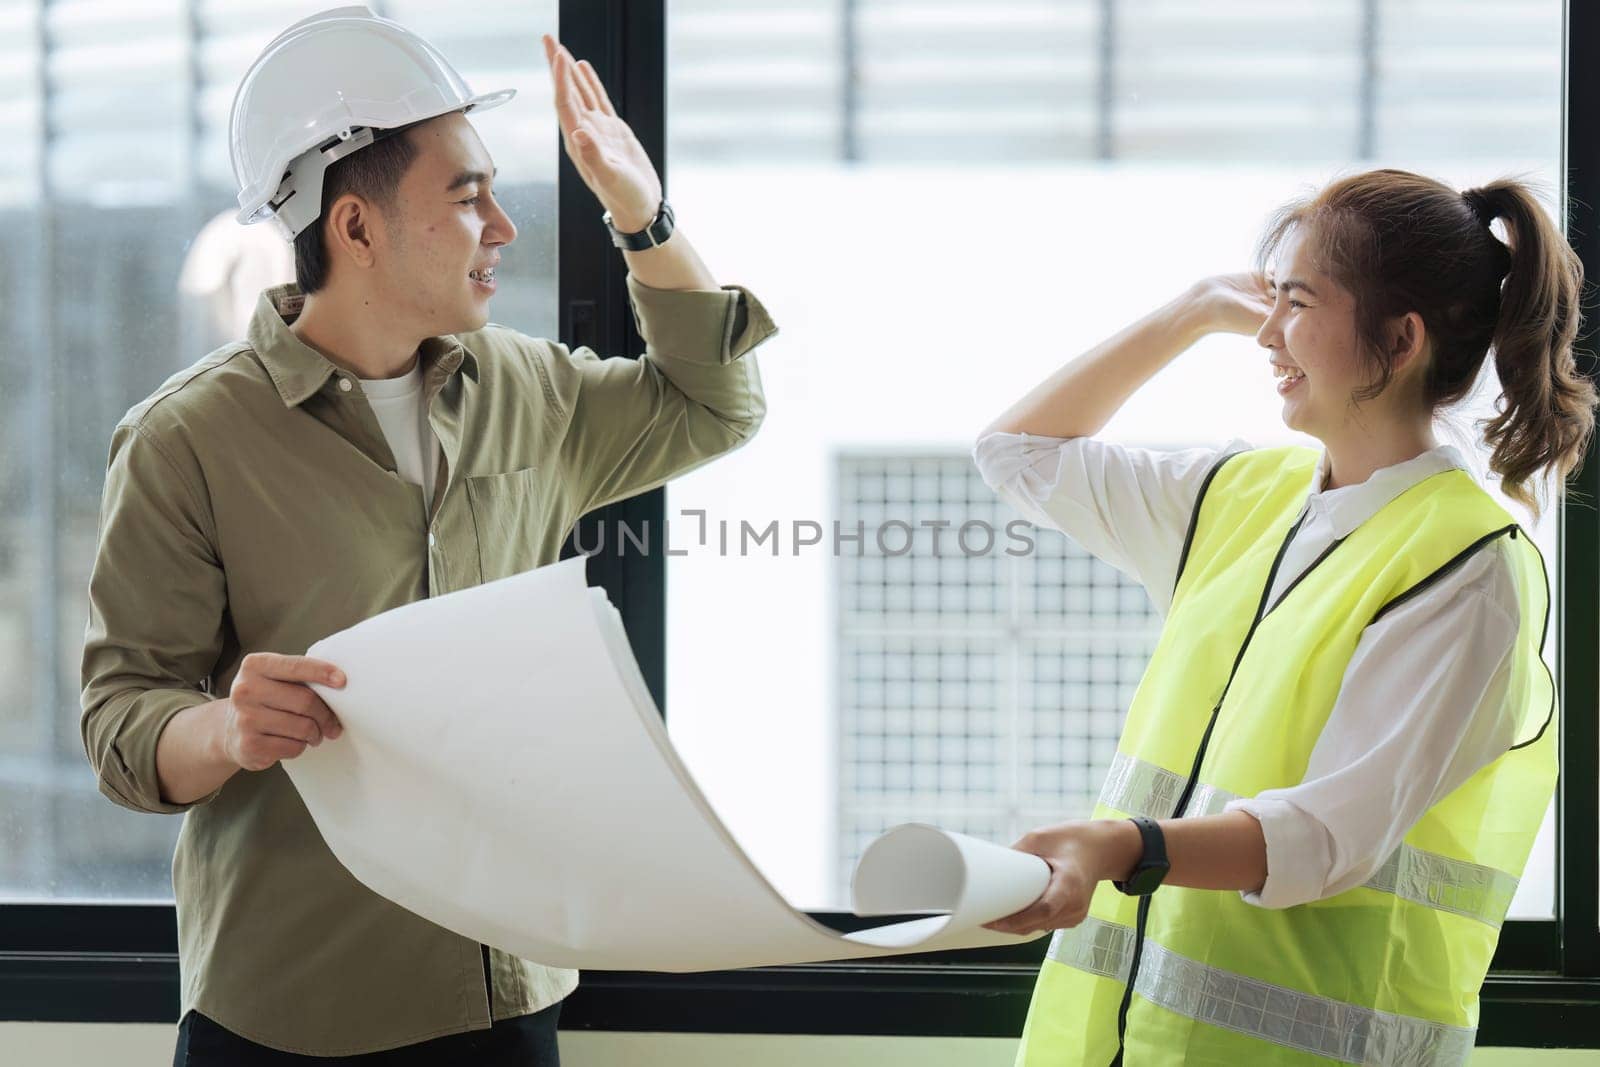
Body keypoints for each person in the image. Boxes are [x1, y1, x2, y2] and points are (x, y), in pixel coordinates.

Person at [78, 10, 776, 1065]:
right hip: (291, 1007)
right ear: (354, 229)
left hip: (505, 997)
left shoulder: (532, 391)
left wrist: (643, 215)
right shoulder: (188, 439)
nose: (502, 226)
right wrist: (226, 727)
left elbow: (717, 403)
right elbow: (121, 722)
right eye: (465, 197)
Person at [974, 168, 1594, 1065]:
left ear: (1401, 337)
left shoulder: (1470, 567)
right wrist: (1187, 312)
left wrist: (1116, 844)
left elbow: (1326, 834)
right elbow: (1016, 454)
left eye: (1297, 302)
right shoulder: (1236, 494)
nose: (1265, 332)